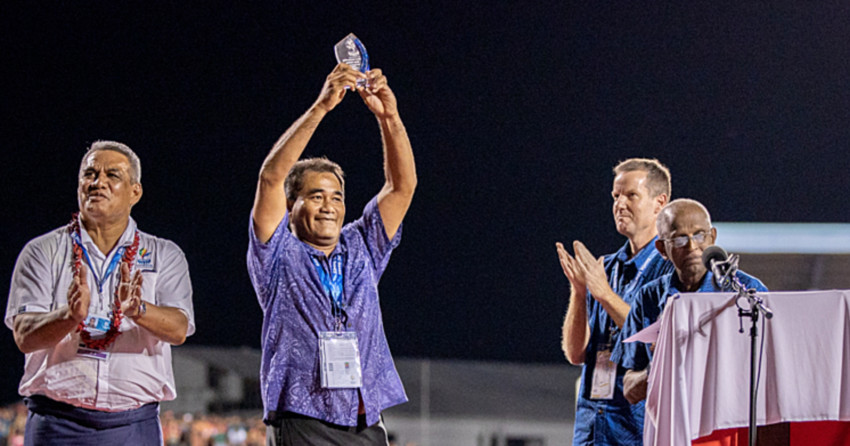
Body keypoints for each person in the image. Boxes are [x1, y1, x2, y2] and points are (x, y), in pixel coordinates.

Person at [247, 63, 416, 445]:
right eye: (316, 196)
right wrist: (322, 107)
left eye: (337, 197)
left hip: (365, 419)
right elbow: (271, 178)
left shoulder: (362, 247)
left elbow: (402, 186)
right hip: (303, 419)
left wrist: (389, 116)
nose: (329, 206)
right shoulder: (277, 253)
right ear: (291, 205)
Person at [5, 141, 195, 445]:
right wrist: (68, 317)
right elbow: (24, 336)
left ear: (135, 191)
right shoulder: (42, 252)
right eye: (89, 174)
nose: (98, 182)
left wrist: (138, 311)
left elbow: (179, 329)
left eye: (112, 175)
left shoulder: (164, 255)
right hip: (57, 424)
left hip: (134, 426)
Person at [556, 158, 674, 445]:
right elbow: (575, 354)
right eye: (616, 196)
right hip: (591, 429)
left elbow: (661, 342)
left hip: (635, 431)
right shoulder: (606, 268)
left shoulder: (670, 269)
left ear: (660, 203)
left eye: (631, 195)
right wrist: (580, 292)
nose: (620, 204)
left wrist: (605, 295)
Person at [611, 199, 767, 404]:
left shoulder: (747, 291)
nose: (692, 246)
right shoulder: (648, 298)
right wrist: (660, 364)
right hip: (671, 424)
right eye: (679, 240)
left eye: (700, 235)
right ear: (662, 248)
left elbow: (768, 370)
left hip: (728, 422)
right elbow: (630, 389)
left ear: (713, 238)